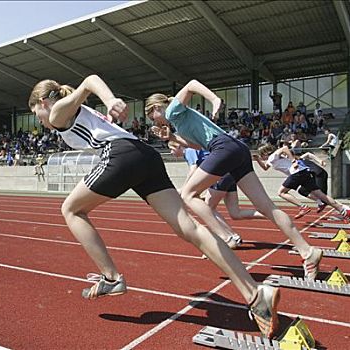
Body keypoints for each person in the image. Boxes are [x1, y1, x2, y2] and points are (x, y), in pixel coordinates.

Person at [29, 75, 280, 338]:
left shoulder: (56, 113)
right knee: (190, 228)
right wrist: (107, 101)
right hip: (146, 155)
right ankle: (255, 294)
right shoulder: (73, 110)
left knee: (71, 210)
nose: (41, 122)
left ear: (44, 102)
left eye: (37, 114)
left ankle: (111, 277)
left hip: (120, 154)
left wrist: (111, 99)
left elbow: (90, 81)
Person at [145, 79, 324, 284]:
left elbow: (191, 84)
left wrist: (214, 100)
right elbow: (198, 144)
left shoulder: (172, 111)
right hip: (236, 149)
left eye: (153, 116)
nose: (154, 122)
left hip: (223, 148)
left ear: (157, 107)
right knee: (267, 206)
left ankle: (222, 236)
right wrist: (172, 138)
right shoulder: (176, 120)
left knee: (187, 194)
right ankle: (307, 250)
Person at [254, 144, 349, 220]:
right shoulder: (271, 159)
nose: (261, 157)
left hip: (297, 173)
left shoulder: (272, 156)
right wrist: (257, 159)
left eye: (261, 155)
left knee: (281, 192)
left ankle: (303, 206)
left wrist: (293, 161)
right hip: (304, 172)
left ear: (265, 153)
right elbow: (265, 168)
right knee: (321, 195)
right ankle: (342, 209)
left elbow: (285, 148)